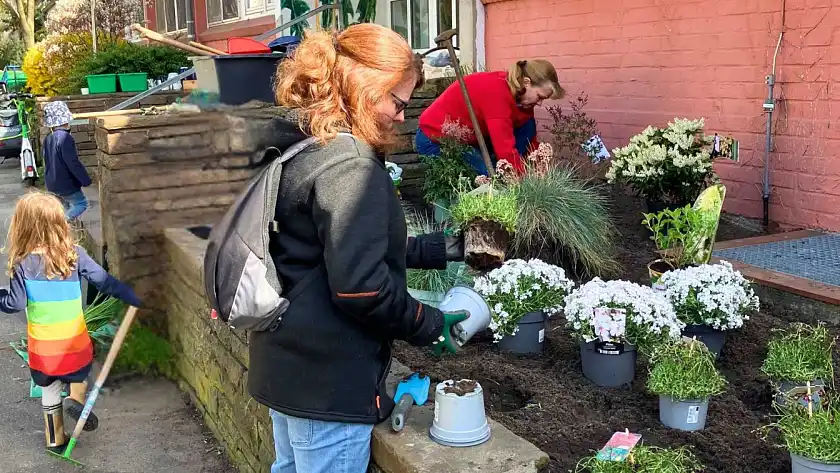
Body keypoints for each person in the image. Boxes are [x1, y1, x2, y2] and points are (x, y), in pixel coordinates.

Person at [248, 24, 470, 473]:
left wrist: (446, 248)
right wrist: (429, 322)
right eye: (398, 102)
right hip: (328, 382)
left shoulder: (303, 145)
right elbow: (361, 289)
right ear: (365, 89)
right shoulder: (350, 165)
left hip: (287, 363)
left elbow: (336, 251)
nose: (402, 117)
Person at [0, 191, 141, 453]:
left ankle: (55, 439)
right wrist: (130, 295)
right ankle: (75, 399)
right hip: (74, 342)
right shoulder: (74, 255)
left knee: (49, 389)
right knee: (81, 372)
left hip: (43, 349)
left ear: (23, 227)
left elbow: (15, 304)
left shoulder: (23, 264)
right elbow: (103, 281)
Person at [417, 59, 565, 175]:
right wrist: (522, 181)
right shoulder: (497, 94)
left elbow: (528, 138)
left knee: (527, 125)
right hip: (436, 138)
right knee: (486, 175)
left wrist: (540, 163)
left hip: (471, 138)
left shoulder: (521, 98)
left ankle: (504, 175)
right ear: (527, 82)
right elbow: (504, 148)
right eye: (539, 96)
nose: (539, 103)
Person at [42, 101, 92, 221]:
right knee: (81, 204)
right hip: (66, 183)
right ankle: (59, 224)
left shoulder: (48, 138)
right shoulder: (65, 138)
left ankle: (62, 234)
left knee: (63, 207)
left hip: (52, 182)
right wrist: (85, 179)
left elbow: (47, 161)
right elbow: (72, 162)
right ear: (65, 120)